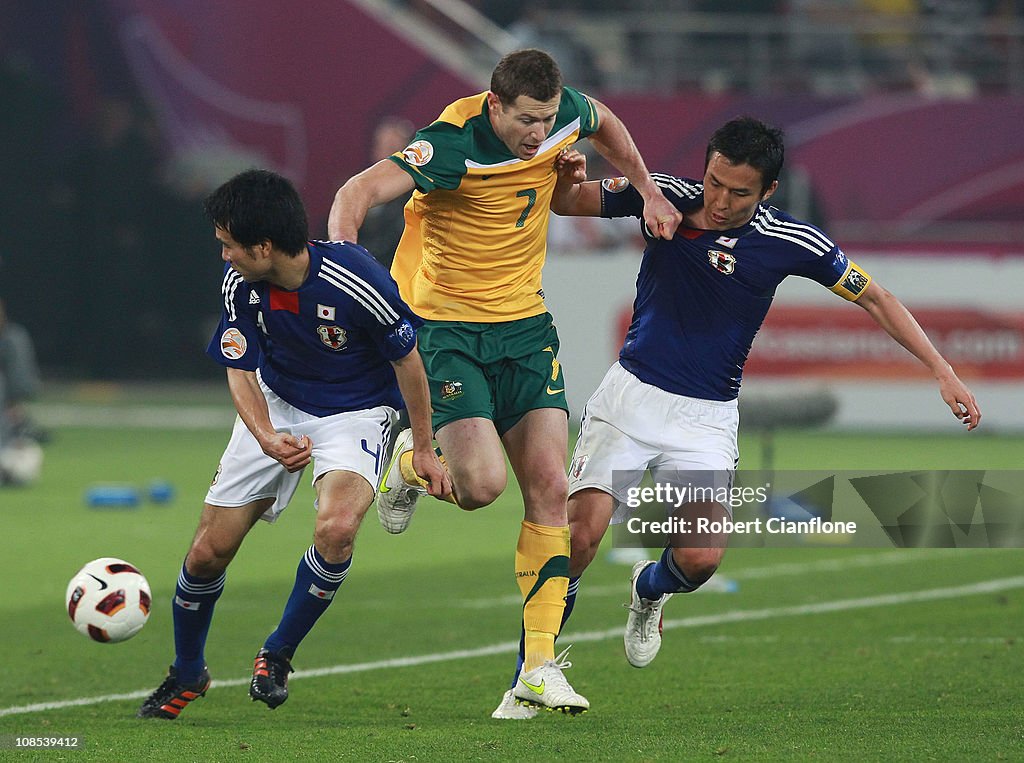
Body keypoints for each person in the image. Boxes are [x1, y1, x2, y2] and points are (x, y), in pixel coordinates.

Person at [529, 116, 981, 691]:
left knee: (699, 560)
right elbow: (568, 203)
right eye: (714, 181)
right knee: (581, 537)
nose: (719, 200)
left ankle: (649, 589)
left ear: (767, 190)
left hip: (706, 419)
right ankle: (532, 670)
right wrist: (570, 175)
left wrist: (941, 370)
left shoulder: (792, 241)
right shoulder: (663, 194)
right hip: (631, 396)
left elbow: (878, 298)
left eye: (738, 191)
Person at [328, 48, 681, 718]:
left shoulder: (560, 117)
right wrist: (345, 264)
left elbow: (604, 121)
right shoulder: (449, 144)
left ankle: (540, 665)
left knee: (552, 486)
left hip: (525, 328)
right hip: (446, 332)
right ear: (495, 105)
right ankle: (406, 464)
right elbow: (356, 193)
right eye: (525, 120)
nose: (538, 132)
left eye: (547, 118)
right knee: (482, 488)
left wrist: (650, 189)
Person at [138, 169, 449, 720]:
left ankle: (277, 653)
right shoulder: (240, 285)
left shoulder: (357, 281)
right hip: (275, 404)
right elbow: (239, 370)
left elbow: (409, 363)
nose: (224, 256)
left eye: (229, 245)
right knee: (206, 554)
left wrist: (423, 447)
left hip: (356, 411)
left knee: (337, 527)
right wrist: (266, 436)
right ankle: (187, 672)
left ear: (264, 246)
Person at [357, 116, 415, 269]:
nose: (386, 159)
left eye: (392, 150)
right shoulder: (355, 190)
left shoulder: (415, 198)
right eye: (382, 147)